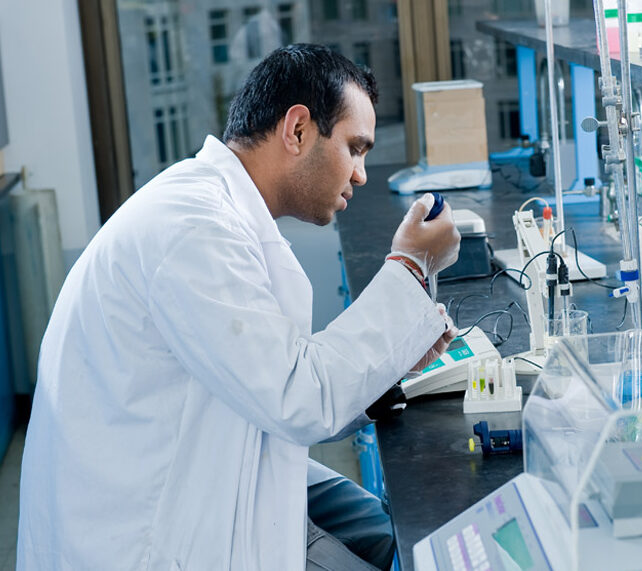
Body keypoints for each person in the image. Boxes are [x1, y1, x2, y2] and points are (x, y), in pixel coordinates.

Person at [17, 44, 460, 570]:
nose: (361, 174)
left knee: (404, 542)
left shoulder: (219, 211)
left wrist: (387, 366)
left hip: (218, 465)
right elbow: (298, 396)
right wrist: (410, 265)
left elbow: (270, 383)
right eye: (355, 148)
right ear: (297, 130)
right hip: (154, 532)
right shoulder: (193, 227)